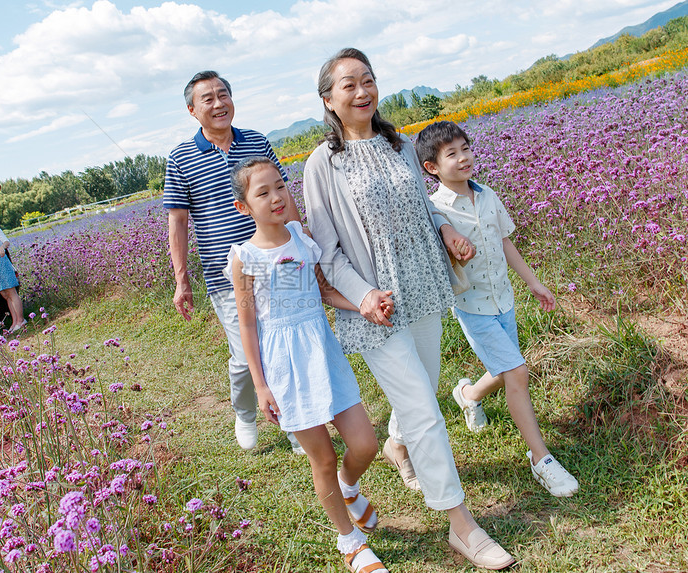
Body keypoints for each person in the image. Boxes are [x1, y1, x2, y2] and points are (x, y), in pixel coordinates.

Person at [303, 48, 515, 570]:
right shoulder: (321, 164)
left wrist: (446, 230)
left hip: (423, 288)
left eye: (368, 81)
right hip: (374, 309)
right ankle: (462, 526)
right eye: (348, 85)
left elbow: (422, 206)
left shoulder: (397, 144)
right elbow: (326, 251)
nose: (362, 92)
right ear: (328, 100)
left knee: (420, 390)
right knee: (424, 407)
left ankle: (397, 447)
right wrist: (362, 297)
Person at [225, 156, 389, 573]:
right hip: (284, 366)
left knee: (365, 444)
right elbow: (247, 325)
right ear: (244, 206)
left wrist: (364, 304)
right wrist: (261, 386)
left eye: (280, 186)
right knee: (323, 460)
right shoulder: (244, 257)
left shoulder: (301, 236)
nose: (277, 197)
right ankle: (350, 542)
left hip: (323, 350)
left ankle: (348, 488)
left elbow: (324, 291)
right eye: (263, 193)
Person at [416, 120, 579, 498]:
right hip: (473, 307)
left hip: (503, 299)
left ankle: (470, 395)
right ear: (432, 168)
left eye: (466, 148)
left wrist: (534, 283)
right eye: (452, 154)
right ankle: (541, 460)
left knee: (505, 369)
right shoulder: (435, 210)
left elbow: (504, 242)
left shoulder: (487, 194)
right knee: (517, 371)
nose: (464, 158)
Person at [164, 70, 303, 453]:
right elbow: (178, 221)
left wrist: (300, 241)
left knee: (285, 341)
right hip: (227, 274)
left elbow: (282, 195)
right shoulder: (180, 158)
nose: (218, 103)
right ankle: (246, 412)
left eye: (223, 94)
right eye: (207, 98)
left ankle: (294, 422)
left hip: (278, 261)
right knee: (246, 353)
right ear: (193, 111)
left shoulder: (257, 141)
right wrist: (182, 279)